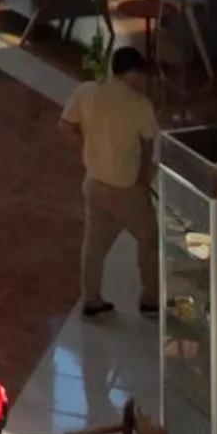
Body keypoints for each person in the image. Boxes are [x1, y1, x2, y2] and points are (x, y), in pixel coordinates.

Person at [58, 45, 160, 318]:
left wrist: (87, 144)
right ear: (133, 73)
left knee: (94, 245)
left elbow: (65, 125)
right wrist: (144, 181)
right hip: (125, 188)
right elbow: (150, 148)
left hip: (94, 183)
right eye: (141, 74)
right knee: (150, 239)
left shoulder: (87, 92)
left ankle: (91, 300)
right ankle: (151, 298)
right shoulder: (140, 105)